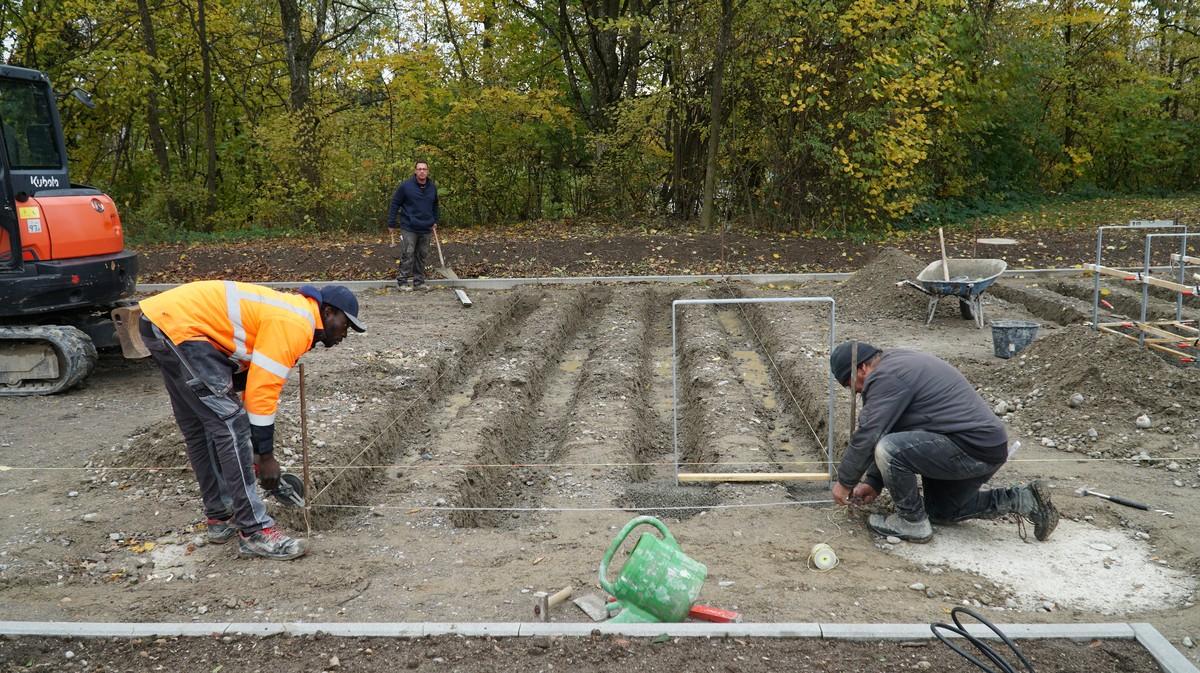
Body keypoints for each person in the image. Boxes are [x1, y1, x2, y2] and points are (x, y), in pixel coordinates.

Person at [138, 281, 366, 560]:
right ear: (329, 312)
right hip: (183, 328)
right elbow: (262, 391)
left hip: (165, 321)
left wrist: (255, 453)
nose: (346, 333)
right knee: (230, 425)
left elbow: (246, 382)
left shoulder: (292, 315)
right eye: (346, 324)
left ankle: (220, 516)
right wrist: (266, 456)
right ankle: (254, 530)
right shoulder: (296, 324)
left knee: (203, 426)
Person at [828, 341, 1058, 543]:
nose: (856, 392)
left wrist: (845, 482)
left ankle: (911, 523)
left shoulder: (886, 376)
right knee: (941, 511)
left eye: (850, 385)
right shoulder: (896, 363)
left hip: (970, 446)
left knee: (889, 448)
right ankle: (1024, 499)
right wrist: (874, 482)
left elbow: (871, 434)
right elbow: (893, 426)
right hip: (979, 446)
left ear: (862, 368)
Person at [386, 160, 439, 291]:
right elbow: (395, 203)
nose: (422, 171)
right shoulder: (406, 186)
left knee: (422, 255)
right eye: (419, 169)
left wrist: (435, 220)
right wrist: (391, 222)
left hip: (426, 227)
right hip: (409, 226)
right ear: (415, 171)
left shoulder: (432, 187)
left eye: (424, 169)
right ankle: (402, 282)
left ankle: (419, 282)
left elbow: (435, 205)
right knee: (408, 253)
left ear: (427, 171)